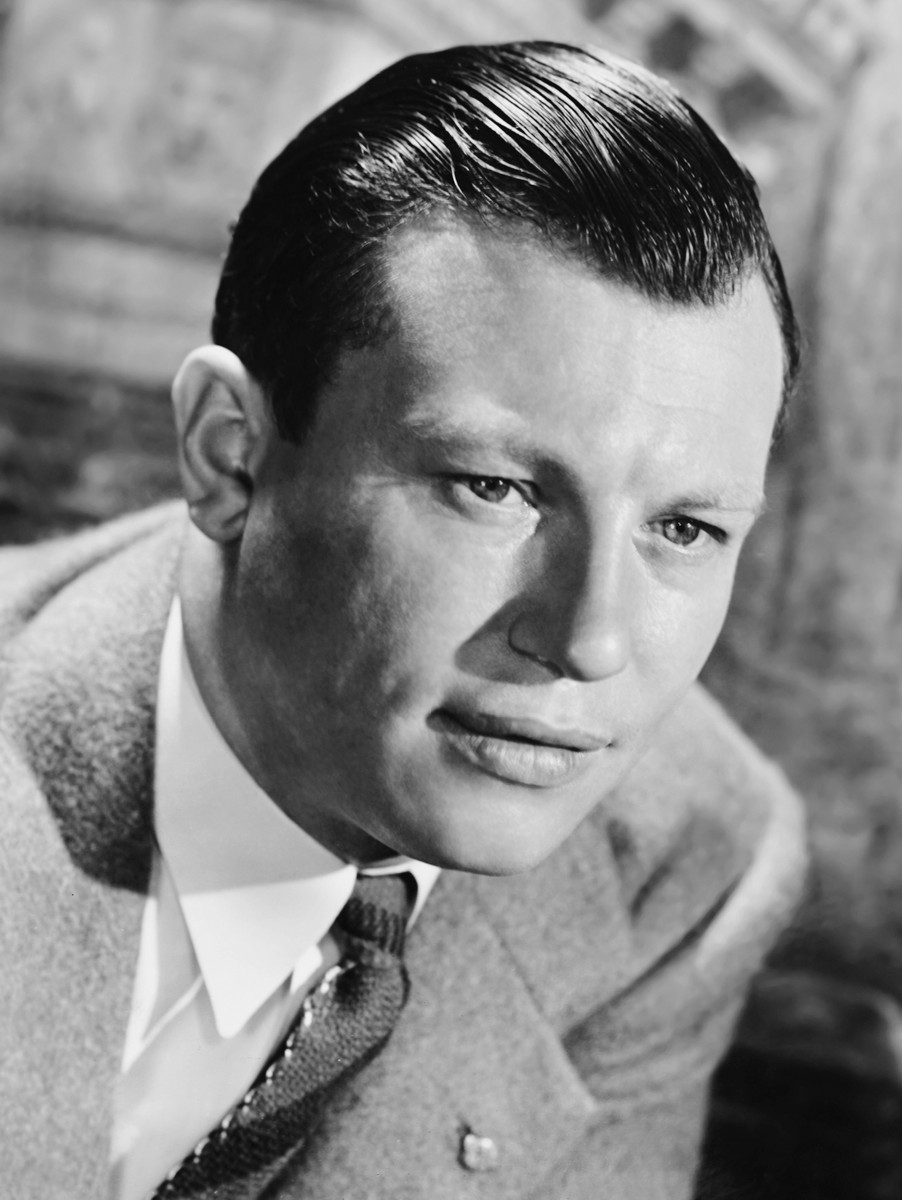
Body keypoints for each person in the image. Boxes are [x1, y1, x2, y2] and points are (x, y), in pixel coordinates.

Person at [0, 40, 806, 1200]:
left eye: (683, 528)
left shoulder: (682, 859)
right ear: (229, 456)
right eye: (496, 488)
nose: (589, 642)